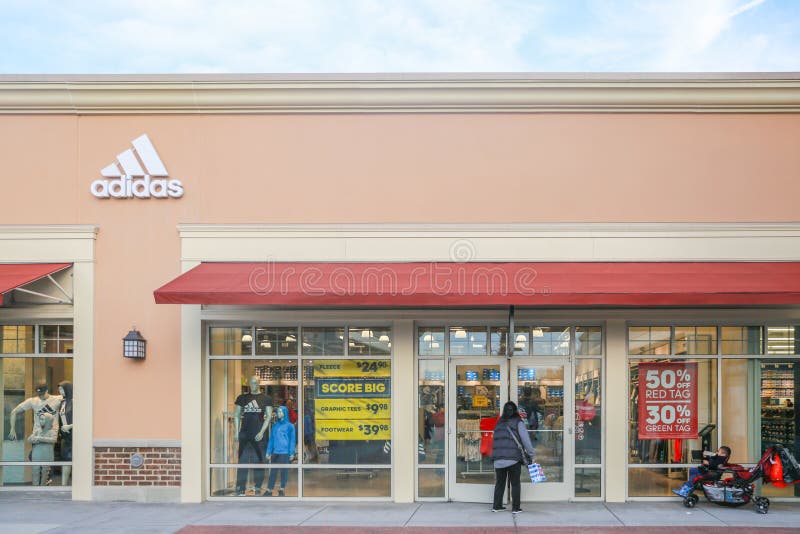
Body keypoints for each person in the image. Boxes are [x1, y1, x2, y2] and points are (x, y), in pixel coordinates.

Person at [491, 401, 535, 514]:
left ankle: (496, 506)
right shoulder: (518, 422)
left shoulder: (499, 423)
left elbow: (495, 440)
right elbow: (526, 440)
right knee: (515, 483)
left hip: (498, 459)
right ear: (515, 411)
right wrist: (531, 455)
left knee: (500, 483)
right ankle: (516, 508)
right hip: (513, 459)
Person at [234, 375, 273, 496]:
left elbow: (269, 417)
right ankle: (240, 488)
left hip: (259, 435)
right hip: (245, 433)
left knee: (259, 461)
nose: (253, 385)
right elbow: (236, 415)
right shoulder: (242, 398)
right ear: (248, 383)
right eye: (251, 383)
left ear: (259, 383)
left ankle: (257, 487)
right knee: (242, 461)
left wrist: (261, 432)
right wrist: (236, 432)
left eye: (255, 383)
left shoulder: (266, 398)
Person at [264, 405, 296, 496]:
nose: (279, 413)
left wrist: (291, 452)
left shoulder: (290, 426)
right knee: (273, 472)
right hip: (275, 452)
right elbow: (271, 440)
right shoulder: (275, 426)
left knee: (284, 472)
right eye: (278, 412)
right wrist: (268, 451)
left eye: (281, 412)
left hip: (284, 453)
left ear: (285, 413)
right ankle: (269, 490)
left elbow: (292, 440)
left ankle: (282, 489)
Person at [28, 410, 58, 485]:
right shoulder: (37, 431)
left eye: (42, 419)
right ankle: (35, 489)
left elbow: (53, 440)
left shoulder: (52, 432)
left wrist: (39, 439)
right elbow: (30, 439)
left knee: (45, 474)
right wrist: (36, 439)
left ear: (48, 421)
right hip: (36, 455)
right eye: (40, 419)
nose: (40, 421)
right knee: (35, 472)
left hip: (47, 455)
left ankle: (43, 488)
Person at [57, 381, 74, 485]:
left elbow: (83, 420)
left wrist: (70, 426)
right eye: (59, 389)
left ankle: (77, 485)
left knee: (73, 459)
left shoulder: (75, 401)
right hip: (65, 436)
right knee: (65, 459)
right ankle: (63, 485)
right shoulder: (62, 402)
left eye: (62, 389)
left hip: (74, 436)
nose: (60, 391)